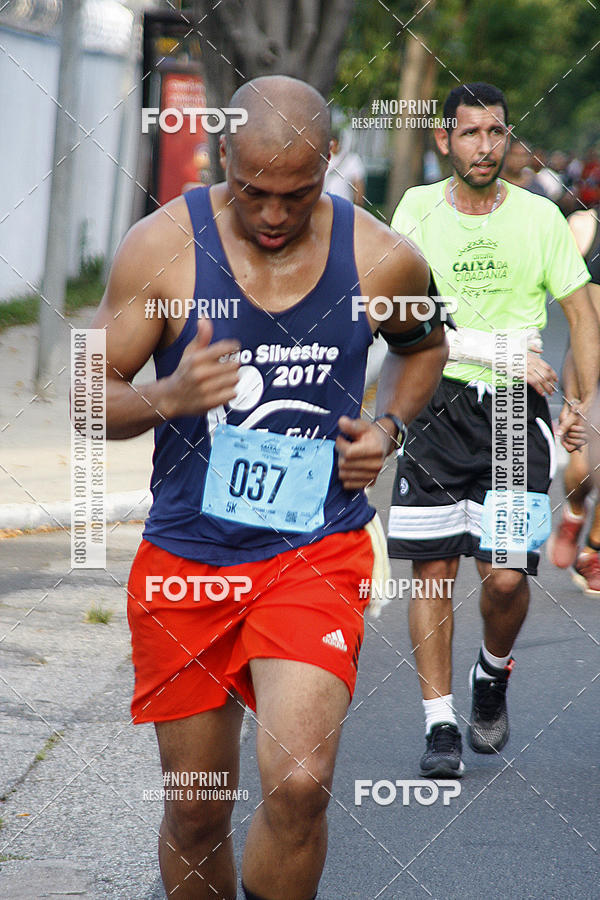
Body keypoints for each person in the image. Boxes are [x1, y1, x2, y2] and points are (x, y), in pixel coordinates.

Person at [91, 75, 448, 900]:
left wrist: (387, 428)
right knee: (196, 811)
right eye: (254, 191)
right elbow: (86, 389)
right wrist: (169, 395)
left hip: (315, 551)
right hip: (187, 559)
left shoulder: (381, 256)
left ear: (330, 162)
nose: (276, 214)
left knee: (299, 782)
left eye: (297, 192)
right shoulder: (162, 248)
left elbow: (425, 344)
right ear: (224, 156)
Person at [387, 82, 600, 779]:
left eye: (496, 132)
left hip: (513, 415)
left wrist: (578, 403)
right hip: (436, 405)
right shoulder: (416, 211)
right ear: (445, 140)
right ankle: (439, 722)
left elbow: (581, 312)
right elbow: (399, 314)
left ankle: (492, 669)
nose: (485, 146)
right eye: (470, 132)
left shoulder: (540, 216)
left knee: (505, 579)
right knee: (432, 573)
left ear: (508, 139)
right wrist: (501, 349)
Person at [548, 206, 600, 593]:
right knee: (582, 469)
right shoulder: (584, 227)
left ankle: (593, 550)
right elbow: (577, 318)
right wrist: (576, 393)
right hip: (589, 365)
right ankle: (575, 508)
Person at [323, 125, 366, 205]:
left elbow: (358, 187)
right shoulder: (322, 159)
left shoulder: (352, 160)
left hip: (344, 205)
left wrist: (358, 206)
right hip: (326, 206)